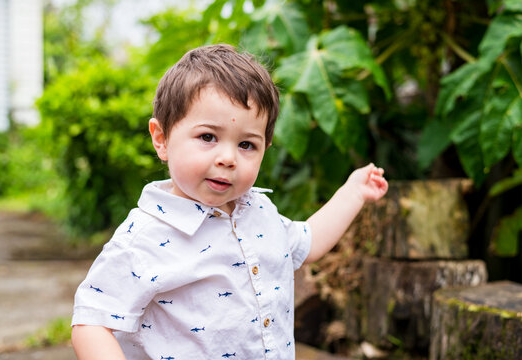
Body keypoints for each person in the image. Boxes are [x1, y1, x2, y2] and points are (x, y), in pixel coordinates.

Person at [71, 44, 388, 360]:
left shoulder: (259, 212)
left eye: (247, 144)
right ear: (161, 138)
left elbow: (307, 242)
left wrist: (353, 192)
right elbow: (91, 322)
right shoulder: (144, 238)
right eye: (208, 137)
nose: (228, 158)